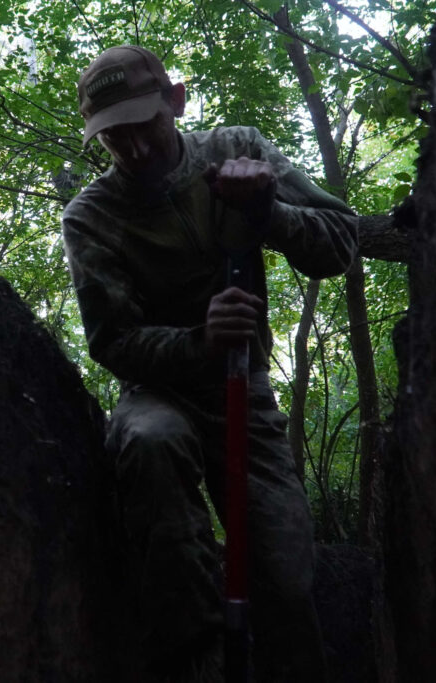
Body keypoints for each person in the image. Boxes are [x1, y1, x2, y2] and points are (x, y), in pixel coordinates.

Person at [61, 45, 359, 682]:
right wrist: (199, 339)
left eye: (146, 125)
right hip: (159, 390)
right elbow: (112, 342)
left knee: (284, 567)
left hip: (242, 394)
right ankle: (191, 662)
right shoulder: (92, 216)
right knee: (147, 442)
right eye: (116, 137)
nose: (135, 149)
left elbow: (339, 244)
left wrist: (265, 209)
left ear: (177, 102)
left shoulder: (234, 150)